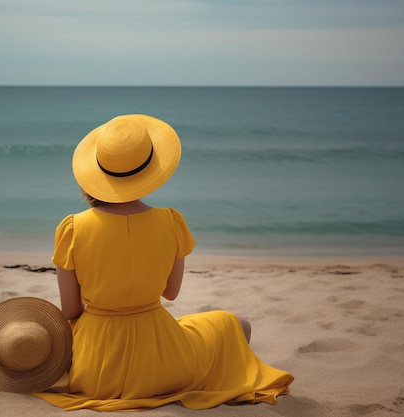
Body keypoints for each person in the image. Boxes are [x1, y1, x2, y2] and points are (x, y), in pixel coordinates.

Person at [34, 114, 293, 411]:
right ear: (149, 169)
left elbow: (70, 310)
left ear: (97, 172)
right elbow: (171, 293)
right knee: (235, 324)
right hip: (166, 366)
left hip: (95, 374)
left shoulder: (73, 228)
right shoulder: (170, 222)